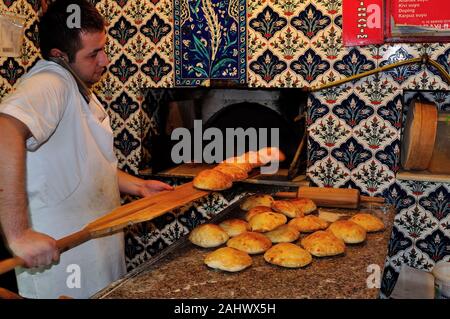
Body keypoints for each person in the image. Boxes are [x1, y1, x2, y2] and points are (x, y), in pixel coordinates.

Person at [0, 0, 173, 299]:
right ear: (60, 56)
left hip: (95, 252)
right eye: (94, 54)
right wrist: (18, 234)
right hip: (62, 261)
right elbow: (5, 129)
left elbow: (88, 165)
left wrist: (139, 186)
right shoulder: (50, 82)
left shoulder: (76, 86)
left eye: (103, 49)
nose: (105, 61)